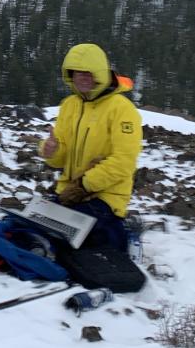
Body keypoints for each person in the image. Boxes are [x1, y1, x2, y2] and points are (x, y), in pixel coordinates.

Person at [39, 42, 141, 252]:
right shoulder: (69, 105)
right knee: (41, 228)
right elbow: (61, 157)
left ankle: (126, 233)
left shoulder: (122, 109)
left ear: (100, 74)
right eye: (78, 73)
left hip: (106, 197)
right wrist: (52, 151)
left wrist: (83, 186)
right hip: (69, 192)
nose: (83, 77)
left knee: (75, 241)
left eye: (89, 72)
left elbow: (124, 162)